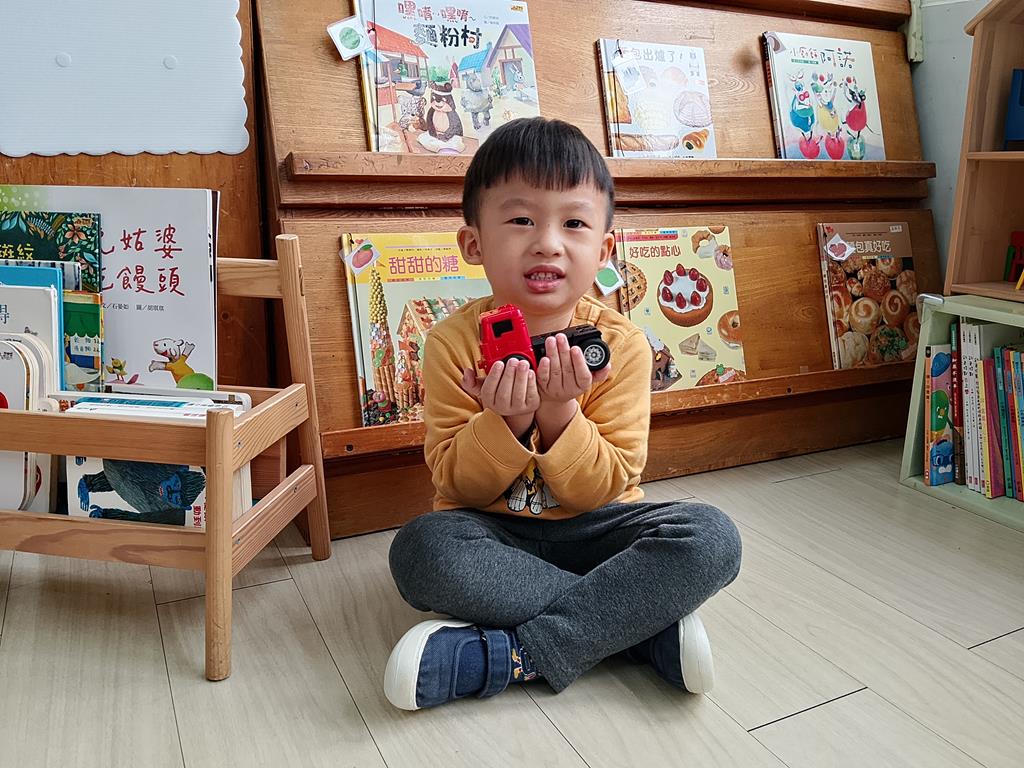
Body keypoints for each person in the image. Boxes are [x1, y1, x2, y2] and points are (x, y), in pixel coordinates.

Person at [384, 117, 742, 711]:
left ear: (603, 250)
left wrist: (558, 412)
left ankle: (514, 654)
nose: (548, 242)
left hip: (598, 531)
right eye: (521, 220)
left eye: (574, 223)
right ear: (474, 244)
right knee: (421, 550)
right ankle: (638, 628)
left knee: (712, 537)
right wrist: (504, 423)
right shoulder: (452, 343)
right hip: (493, 535)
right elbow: (456, 485)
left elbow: (605, 488)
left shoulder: (622, 345)